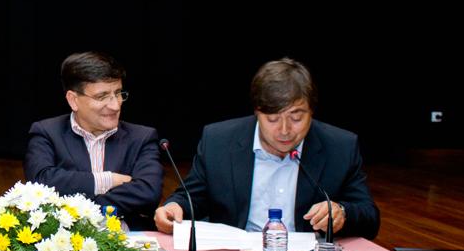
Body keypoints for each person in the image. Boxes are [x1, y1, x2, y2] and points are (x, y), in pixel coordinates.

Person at [154, 58, 380, 239]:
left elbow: (369, 217)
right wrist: (174, 207)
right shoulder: (219, 141)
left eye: (296, 117)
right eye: (272, 119)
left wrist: (342, 212)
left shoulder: (340, 146)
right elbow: (193, 196)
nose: (284, 130)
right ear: (257, 112)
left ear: (312, 111)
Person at [24, 52, 162, 230]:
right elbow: (41, 183)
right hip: (63, 242)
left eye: (118, 93)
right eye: (102, 96)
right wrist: (107, 180)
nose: (115, 105)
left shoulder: (142, 137)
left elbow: (148, 193)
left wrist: (79, 207)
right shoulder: (47, 133)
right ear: (73, 100)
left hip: (128, 239)